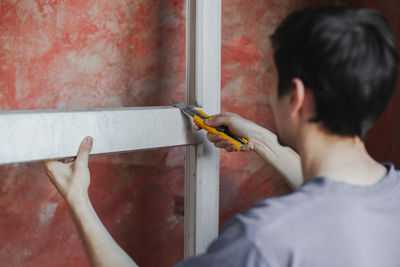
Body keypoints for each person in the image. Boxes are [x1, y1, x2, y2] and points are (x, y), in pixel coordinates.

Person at [44, 5, 400, 267]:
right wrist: (260, 140)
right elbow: (335, 199)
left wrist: (78, 199)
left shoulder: (263, 241)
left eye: (268, 77)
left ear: (296, 96)